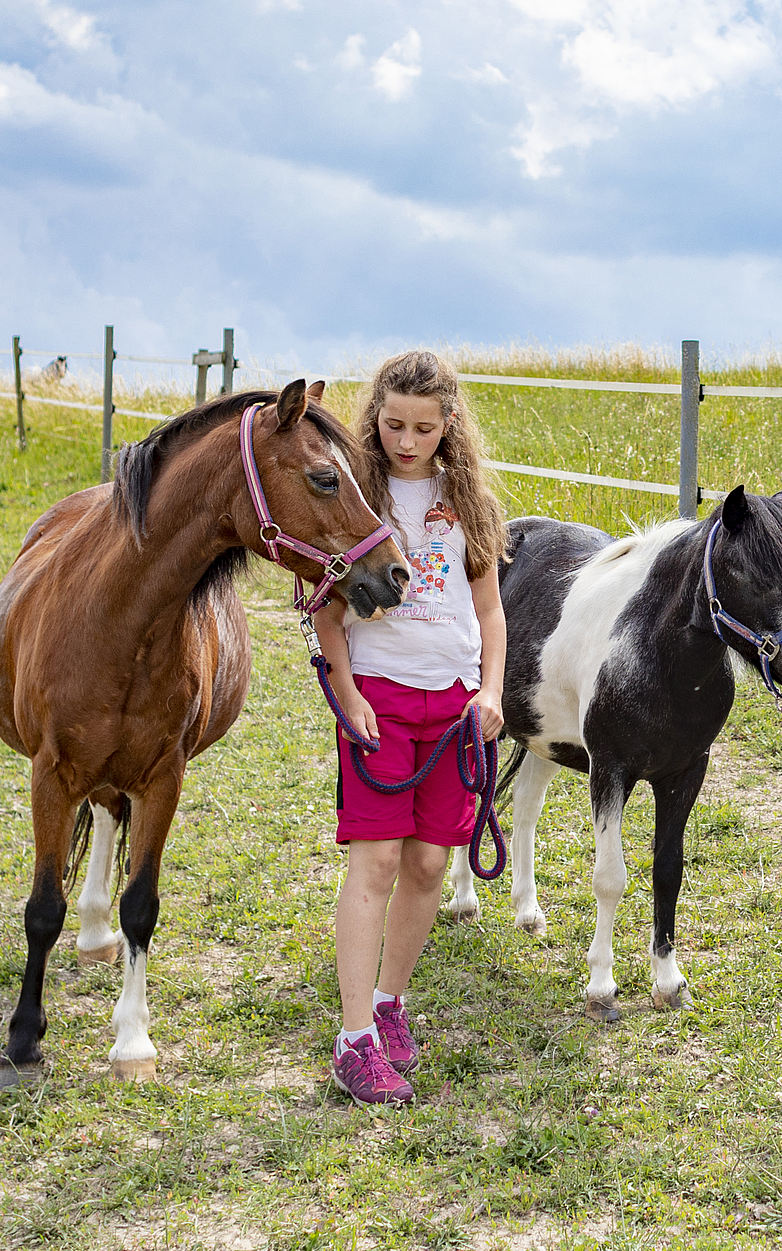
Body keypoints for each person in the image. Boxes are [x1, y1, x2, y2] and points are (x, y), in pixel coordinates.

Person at [312, 351, 506, 1105]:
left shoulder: (470, 501)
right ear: (376, 416)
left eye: (423, 427)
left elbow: (488, 609)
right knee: (377, 862)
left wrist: (489, 691)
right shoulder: (352, 494)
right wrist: (348, 690)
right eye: (393, 423)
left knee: (429, 865)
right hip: (381, 700)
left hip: (453, 705)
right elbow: (326, 611)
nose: (405, 440)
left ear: (447, 424)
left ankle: (390, 1001)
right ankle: (353, 1037)